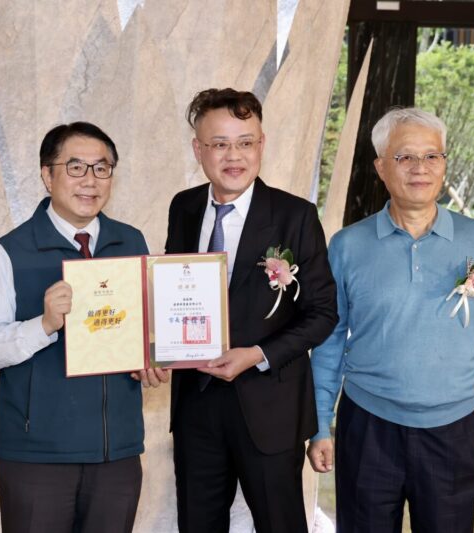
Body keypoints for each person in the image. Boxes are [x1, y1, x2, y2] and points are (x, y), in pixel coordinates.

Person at [308, 107, 474, 532]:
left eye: (432, 156)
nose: (420, 168)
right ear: (381, 168)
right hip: (367, 426)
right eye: (404, 157)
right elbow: (329, 341)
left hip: (453, 431)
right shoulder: (348, 245)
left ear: (443, 163)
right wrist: (319, 423)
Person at [0, 121, 168, 533]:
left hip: (117, 452)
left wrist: (152, 360)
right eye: (75, 167)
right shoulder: (10, 252)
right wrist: (42, 325)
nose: (90, 180)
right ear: (47, 175)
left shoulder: (132, 243)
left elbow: (143, 331)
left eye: (102, 168)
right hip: (37, 457)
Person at [165, 88, 338, 533]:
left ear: (262, 145)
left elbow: (322, 313)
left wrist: (257, 354)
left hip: (270, 404)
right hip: (196, 405)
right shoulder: (184, 207)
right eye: (220, 144)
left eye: (245, 142)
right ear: (198, 150)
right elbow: (171, 294)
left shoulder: (295, 216)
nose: (234, 156)